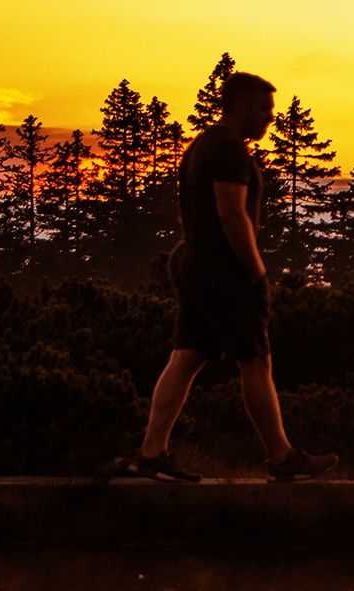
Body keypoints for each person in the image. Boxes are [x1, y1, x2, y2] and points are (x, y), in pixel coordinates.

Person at [115, 70, 337, 483]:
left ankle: (152, 452)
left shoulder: (202, 145)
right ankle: (281, 456)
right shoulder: (229, 151)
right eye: (265, 109)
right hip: (226, 274)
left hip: (199, 268)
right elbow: (231, 213)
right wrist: (255, 269)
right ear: (244, 106)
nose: (270, 118)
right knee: (255, 360)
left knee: (186, 357)